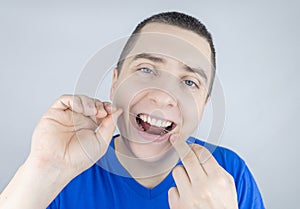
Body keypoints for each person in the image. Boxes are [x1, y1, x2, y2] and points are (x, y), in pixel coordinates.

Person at [0, 11, 265, 209]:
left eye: (189, 82)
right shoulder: (67, 171)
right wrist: (44, 169)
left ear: (204, 105)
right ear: (115, 83)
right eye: (146, 69)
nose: (164, 96)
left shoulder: (231, 173)